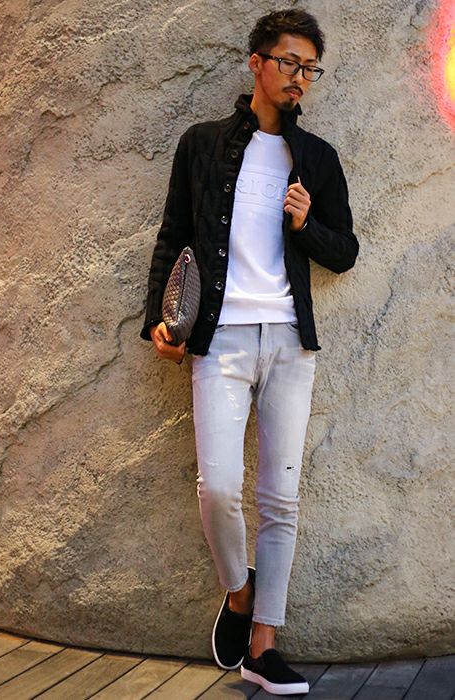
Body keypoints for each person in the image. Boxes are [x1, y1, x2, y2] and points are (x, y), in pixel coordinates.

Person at [140, 8, 359, 695]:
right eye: (290, 63)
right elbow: (174, 235)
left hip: (290, 341)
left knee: (280, 498)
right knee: (217, 489)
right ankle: (239, 593)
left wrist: (306, 223)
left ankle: (264, 646)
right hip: (221, 338)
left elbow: (344, 252)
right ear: (257, 62)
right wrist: (160, 322)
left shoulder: (317, 158)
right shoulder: (202, 145)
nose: (300, 78)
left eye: (310, 69)